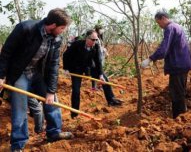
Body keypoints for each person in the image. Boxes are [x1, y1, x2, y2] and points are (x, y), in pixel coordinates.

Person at [0, 8, 73, 152]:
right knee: (20, 107)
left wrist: (51, 91)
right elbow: (6, 52)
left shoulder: (56, 39)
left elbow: (53, 65)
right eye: (62, 28)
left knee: (52, 101)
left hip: (37, 74)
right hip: (19, 73)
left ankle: (54, 132)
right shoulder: (25, 28)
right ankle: (18, 144)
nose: (63, 31)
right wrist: (1, 76)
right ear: (53, 25)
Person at [141, 11, 191, 119]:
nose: (159, 26)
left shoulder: (170, 28)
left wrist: (150, 58)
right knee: (180, 91)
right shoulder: (177, 27)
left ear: (163, 18)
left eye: (159, 23)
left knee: (176, 94)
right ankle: (183, 115)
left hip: (177, 65)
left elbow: (164, 48)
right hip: (183, 64)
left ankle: (178, 118)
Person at [63, 29, 122, 119]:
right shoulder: (77, 44)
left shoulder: (96, 46)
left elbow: (98, 61)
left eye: (96, 40)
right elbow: (66, 55)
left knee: (105, 79)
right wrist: (66, 68)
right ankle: (74, 114)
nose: (94, 41)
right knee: (76, 90)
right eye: (93, 39)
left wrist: (101, 75)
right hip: (76, 68)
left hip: (89, 66)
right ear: (87, 38)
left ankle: (111, 100)